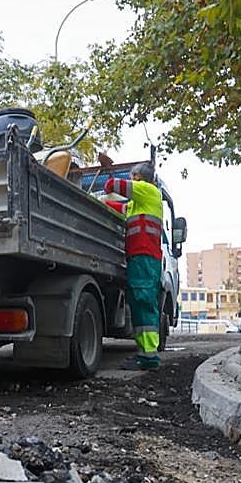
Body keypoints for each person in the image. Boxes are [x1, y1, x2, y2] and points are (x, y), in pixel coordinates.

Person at [99, 156, 164, 370]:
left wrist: (109, 175)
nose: (131, 180)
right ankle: (145, 355)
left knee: (144, 303)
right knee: (140, 303)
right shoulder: (139, 203)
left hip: (145, 257)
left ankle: (148, 358)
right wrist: (102, 202)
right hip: (142, 257)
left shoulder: (148, 190)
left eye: (132, 177)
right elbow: (121, 208)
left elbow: (114, 186)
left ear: (139, 177)